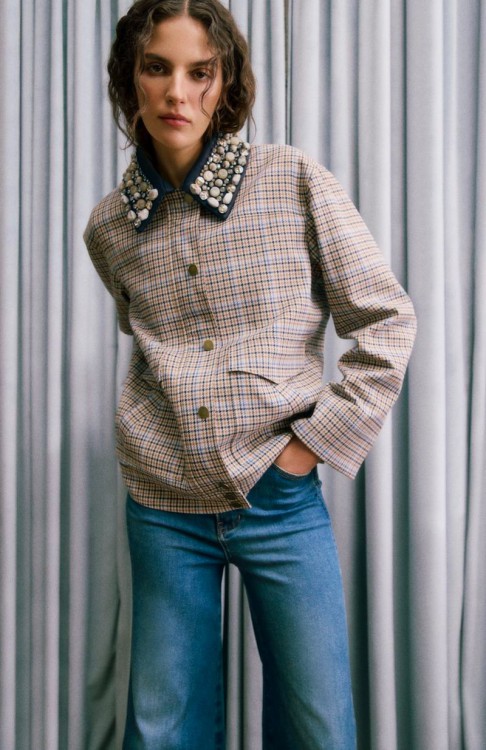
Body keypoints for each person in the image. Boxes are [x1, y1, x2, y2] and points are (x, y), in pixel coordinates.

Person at [84, 1, 416, 747]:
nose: (177, 93)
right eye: (157, 68)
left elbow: (386, 319)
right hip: (162, 503)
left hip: (279, 496)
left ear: (225, 83)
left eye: (199, 72)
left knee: (318, 726)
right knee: (161, 728)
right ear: (130, 80)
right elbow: (145, 338)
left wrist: (308, 447)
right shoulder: (108, 228)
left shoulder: (291, 179)